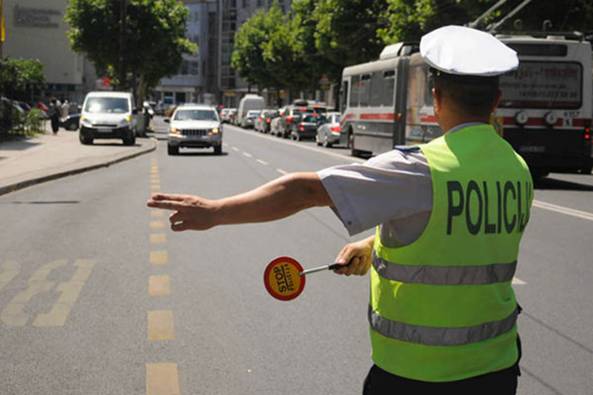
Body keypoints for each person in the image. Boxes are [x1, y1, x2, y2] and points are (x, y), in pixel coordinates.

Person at [147, 25, 533, 394]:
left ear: (434, 97)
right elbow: (461, 238)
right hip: (496, 369)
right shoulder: (515, 168)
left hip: (418, 375)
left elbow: (303, 191)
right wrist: (375, 244)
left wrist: (215, 211)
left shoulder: (421, 170)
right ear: (496, 101)